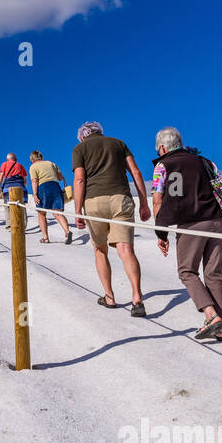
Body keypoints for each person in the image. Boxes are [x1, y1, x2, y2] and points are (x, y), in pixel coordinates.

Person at [152, 127, 222, 341]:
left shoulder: (162, 165)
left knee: (187, 271)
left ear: (162, 147)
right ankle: (219, 325)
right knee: (214, 274)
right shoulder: (205, 162)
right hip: (217, 221)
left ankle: (211, 316)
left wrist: (161, 233)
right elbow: (221, 188)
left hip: (191, 224)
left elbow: (158, 200)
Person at [72, 120, 150, 317]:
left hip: (94, 202)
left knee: (100, 250)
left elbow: (80, 179)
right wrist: (144, 203)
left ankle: (109, 297)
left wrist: (78, 210)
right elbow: (136, 172)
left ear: (83, 136)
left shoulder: (79, 148)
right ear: (100, 132)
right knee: (125, 249)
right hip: (121, 198)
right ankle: (137, 297)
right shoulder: (118, 143)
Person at [29, 151, 72, 244]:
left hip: (43, 188)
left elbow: (34, 181)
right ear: (41, 157)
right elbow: (60, 177)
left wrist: (35, 194)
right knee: (57, 213)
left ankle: (45, 238)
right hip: (55, 186)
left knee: (41, 213)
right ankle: (67, 232)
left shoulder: (33, 167)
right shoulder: (51, 163)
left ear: (32, 159)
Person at [0, 152, 29, 229]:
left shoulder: (4, 164)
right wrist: (23, 187)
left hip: (8, 188)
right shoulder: (20, 165)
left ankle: (9, 224)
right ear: (15, 159)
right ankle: (23, 224)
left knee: (7, 206)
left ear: (7, 159)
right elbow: (24, 179)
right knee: (22, 206)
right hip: (20, 188)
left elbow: (1, 177)